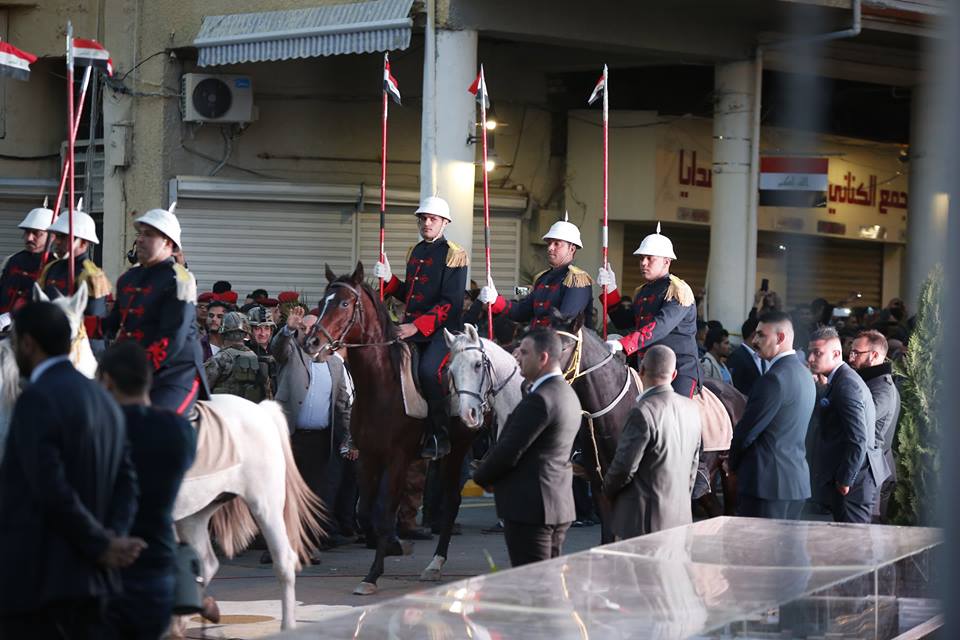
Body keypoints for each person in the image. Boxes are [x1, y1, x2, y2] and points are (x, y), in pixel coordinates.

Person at [0, 302, 144, 639]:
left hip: (39, 586)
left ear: (28, 344)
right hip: (96, 584)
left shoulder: (36, 399)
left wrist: (100, 544)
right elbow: (128, 483)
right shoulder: (104, 399)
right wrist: (113, 539)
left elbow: (49, 487)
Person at [98, 342, 197, 640]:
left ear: (106, 380)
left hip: (110, 567)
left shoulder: (101, 429)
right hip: (158, 565)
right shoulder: (179, 431)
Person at [472, 329, 581, 567]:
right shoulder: (565, 392)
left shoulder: (540, 398)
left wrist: (480, 476)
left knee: (535, 589)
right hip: (553, 505)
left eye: (523, 352)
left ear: (542, 358)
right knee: (547, 583)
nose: (516, 357)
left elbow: (510, 450)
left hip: (531, 509)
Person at [374, 196, 468, 459]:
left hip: (442, 332)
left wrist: (416, 327)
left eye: (433, 219)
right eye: (423, 218)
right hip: (410, 328)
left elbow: (451, 303)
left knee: (428, 372)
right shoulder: (415, 251)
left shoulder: (454, 254)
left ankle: (439, 435)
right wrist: (390, 280)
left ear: (445, 223)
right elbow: (410, 295)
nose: (427, 223)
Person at [103, 203, 209, 416]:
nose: (140, 239)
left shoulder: (181, 280)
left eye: (149, 235)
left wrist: (134, 370)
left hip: (174, 373)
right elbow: (112, 325)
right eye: (140, 233)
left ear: (168, 243)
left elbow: (172, 339)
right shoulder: (128, 278)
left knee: (155, 424)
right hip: (132, 372)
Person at [270, 305, 354, 553]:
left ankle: (306, 547)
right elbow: (277, 350)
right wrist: (288, 329)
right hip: (291, 437)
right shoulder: (292, 353)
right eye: (303, 328)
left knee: (314, 496)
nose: (308, 333)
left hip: (320, 440)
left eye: (312, 328)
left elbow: (343, 406)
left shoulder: (335, 365)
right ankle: (278, 546)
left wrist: (350, 437)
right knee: (284, 494)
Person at [602, 345, 701, 538]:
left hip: (643, 520)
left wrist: (606, 489)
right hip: (679, 517)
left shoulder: (642, 411)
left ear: (641, 370)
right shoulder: (691, 409)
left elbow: (624, 468)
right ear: (674, 375)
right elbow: (693, 467)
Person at [597, 223, 702, 398]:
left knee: (675, 415)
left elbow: (659, 326)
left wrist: (624, 344)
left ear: (666, 261)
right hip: (647, 365)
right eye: (641, 258)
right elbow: (624, 321)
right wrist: (611, 290)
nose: (643, 263)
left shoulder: (678, 290)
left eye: (650, 258)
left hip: (678, 368)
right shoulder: (643, 291)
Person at [729, 312, 816, 519]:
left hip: (767, 485)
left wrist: (731, 464)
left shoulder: (773, 379)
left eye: (761, 335)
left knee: (760, 550)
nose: (755, 340)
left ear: (780, 338)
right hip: (795, 482)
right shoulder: (804, 374)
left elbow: (747, 431)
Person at [807, 327, 888, 523]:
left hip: (854, 485)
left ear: (836, 354)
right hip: (850, 480)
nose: (810, 358)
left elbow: (858, 439)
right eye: (810, 352)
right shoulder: (841, 380)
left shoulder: (846, 385)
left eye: (817, 353)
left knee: (855, 546)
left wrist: (845, 479)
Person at [478, 213, 592, 329]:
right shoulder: (543, 278)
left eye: (557, 243)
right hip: (536, 339)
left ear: (571, 249)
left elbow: (566, 322)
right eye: (549, 243)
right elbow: (523, 312)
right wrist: (496, 300)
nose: (550, 248)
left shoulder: (577, 280)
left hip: (558, 343)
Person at [37, 205, 111, 348]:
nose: (57, 242)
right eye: (57, 236)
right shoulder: (51, 267)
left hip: (78, 347)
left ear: (83, 243)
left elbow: (94, 323)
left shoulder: (92, 275)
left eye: (64, 237)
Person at [847, 329, 901, 523]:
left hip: (873, 475)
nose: (851, 358)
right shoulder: (873, 382)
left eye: (857, 353)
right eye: (850, 352)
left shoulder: (882, 389)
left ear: (875, 355)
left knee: (866, 539)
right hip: (869, 471)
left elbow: (858, 422)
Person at [0, 198, 53, 314]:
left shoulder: (55, 266)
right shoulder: (13, 260)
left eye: (36, 233)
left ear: (52, 236)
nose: (29, 238)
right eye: (27, 232)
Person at [204, 311, 272, 402]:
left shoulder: (220, 358)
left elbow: (200, 387)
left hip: (223, 412)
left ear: (222, 333)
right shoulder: (256, 358)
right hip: (248, 413)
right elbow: (268, 396)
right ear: (246, 333)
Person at [726, 317, 763, 397]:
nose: (764, 339)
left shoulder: (761, 356)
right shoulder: (737, 357)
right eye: (762, 335)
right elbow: (734, 388)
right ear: (754, 335)